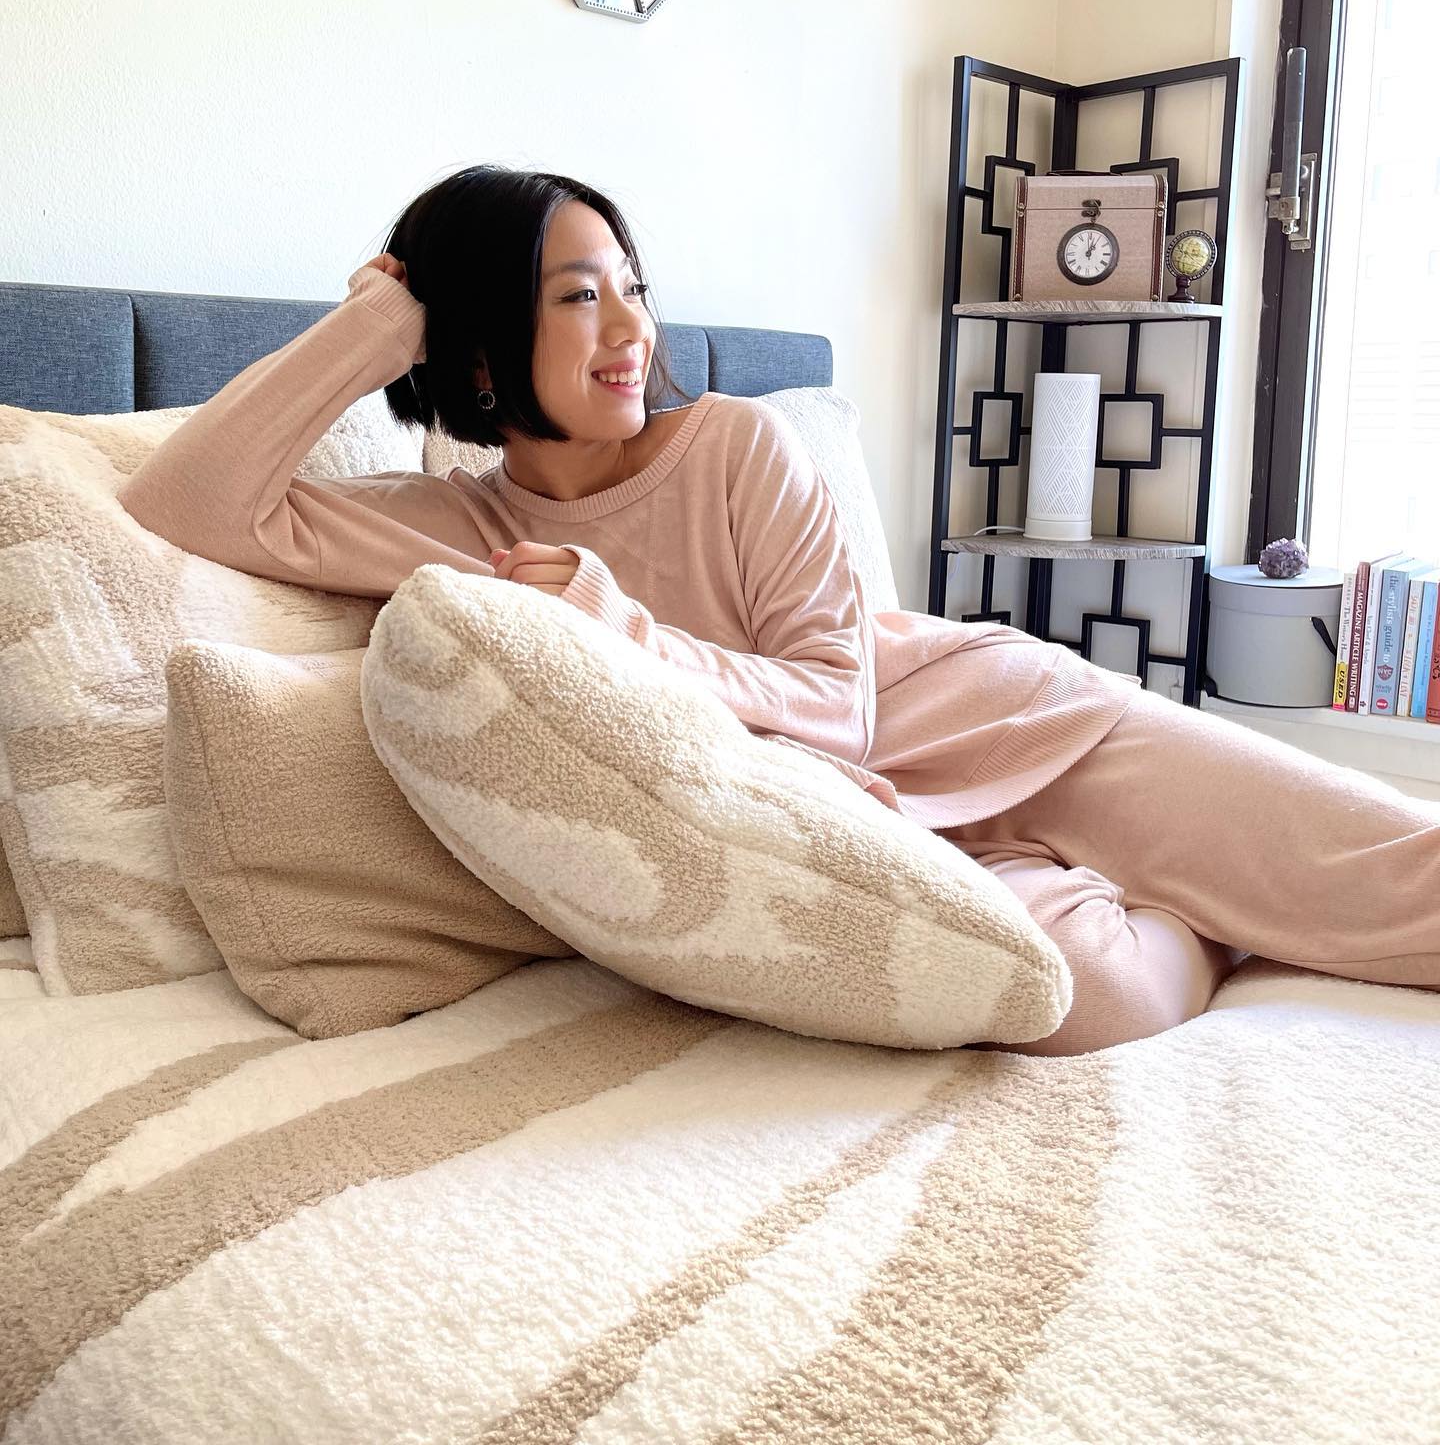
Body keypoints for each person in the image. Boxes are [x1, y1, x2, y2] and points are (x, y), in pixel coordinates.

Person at [117, 166, 1440, 1056]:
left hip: (1018, 727)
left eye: (631, 283)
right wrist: (375, 322)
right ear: (474, 351)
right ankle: (1195, 913)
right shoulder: (460, 534)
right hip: (884, 836)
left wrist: (623, 632)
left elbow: (839, 704)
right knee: (1079, 1001)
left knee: (1399, 885)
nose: (629, 326)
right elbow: (193, 500)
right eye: (577, 298)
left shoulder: (742, 446)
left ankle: (1198, 872)